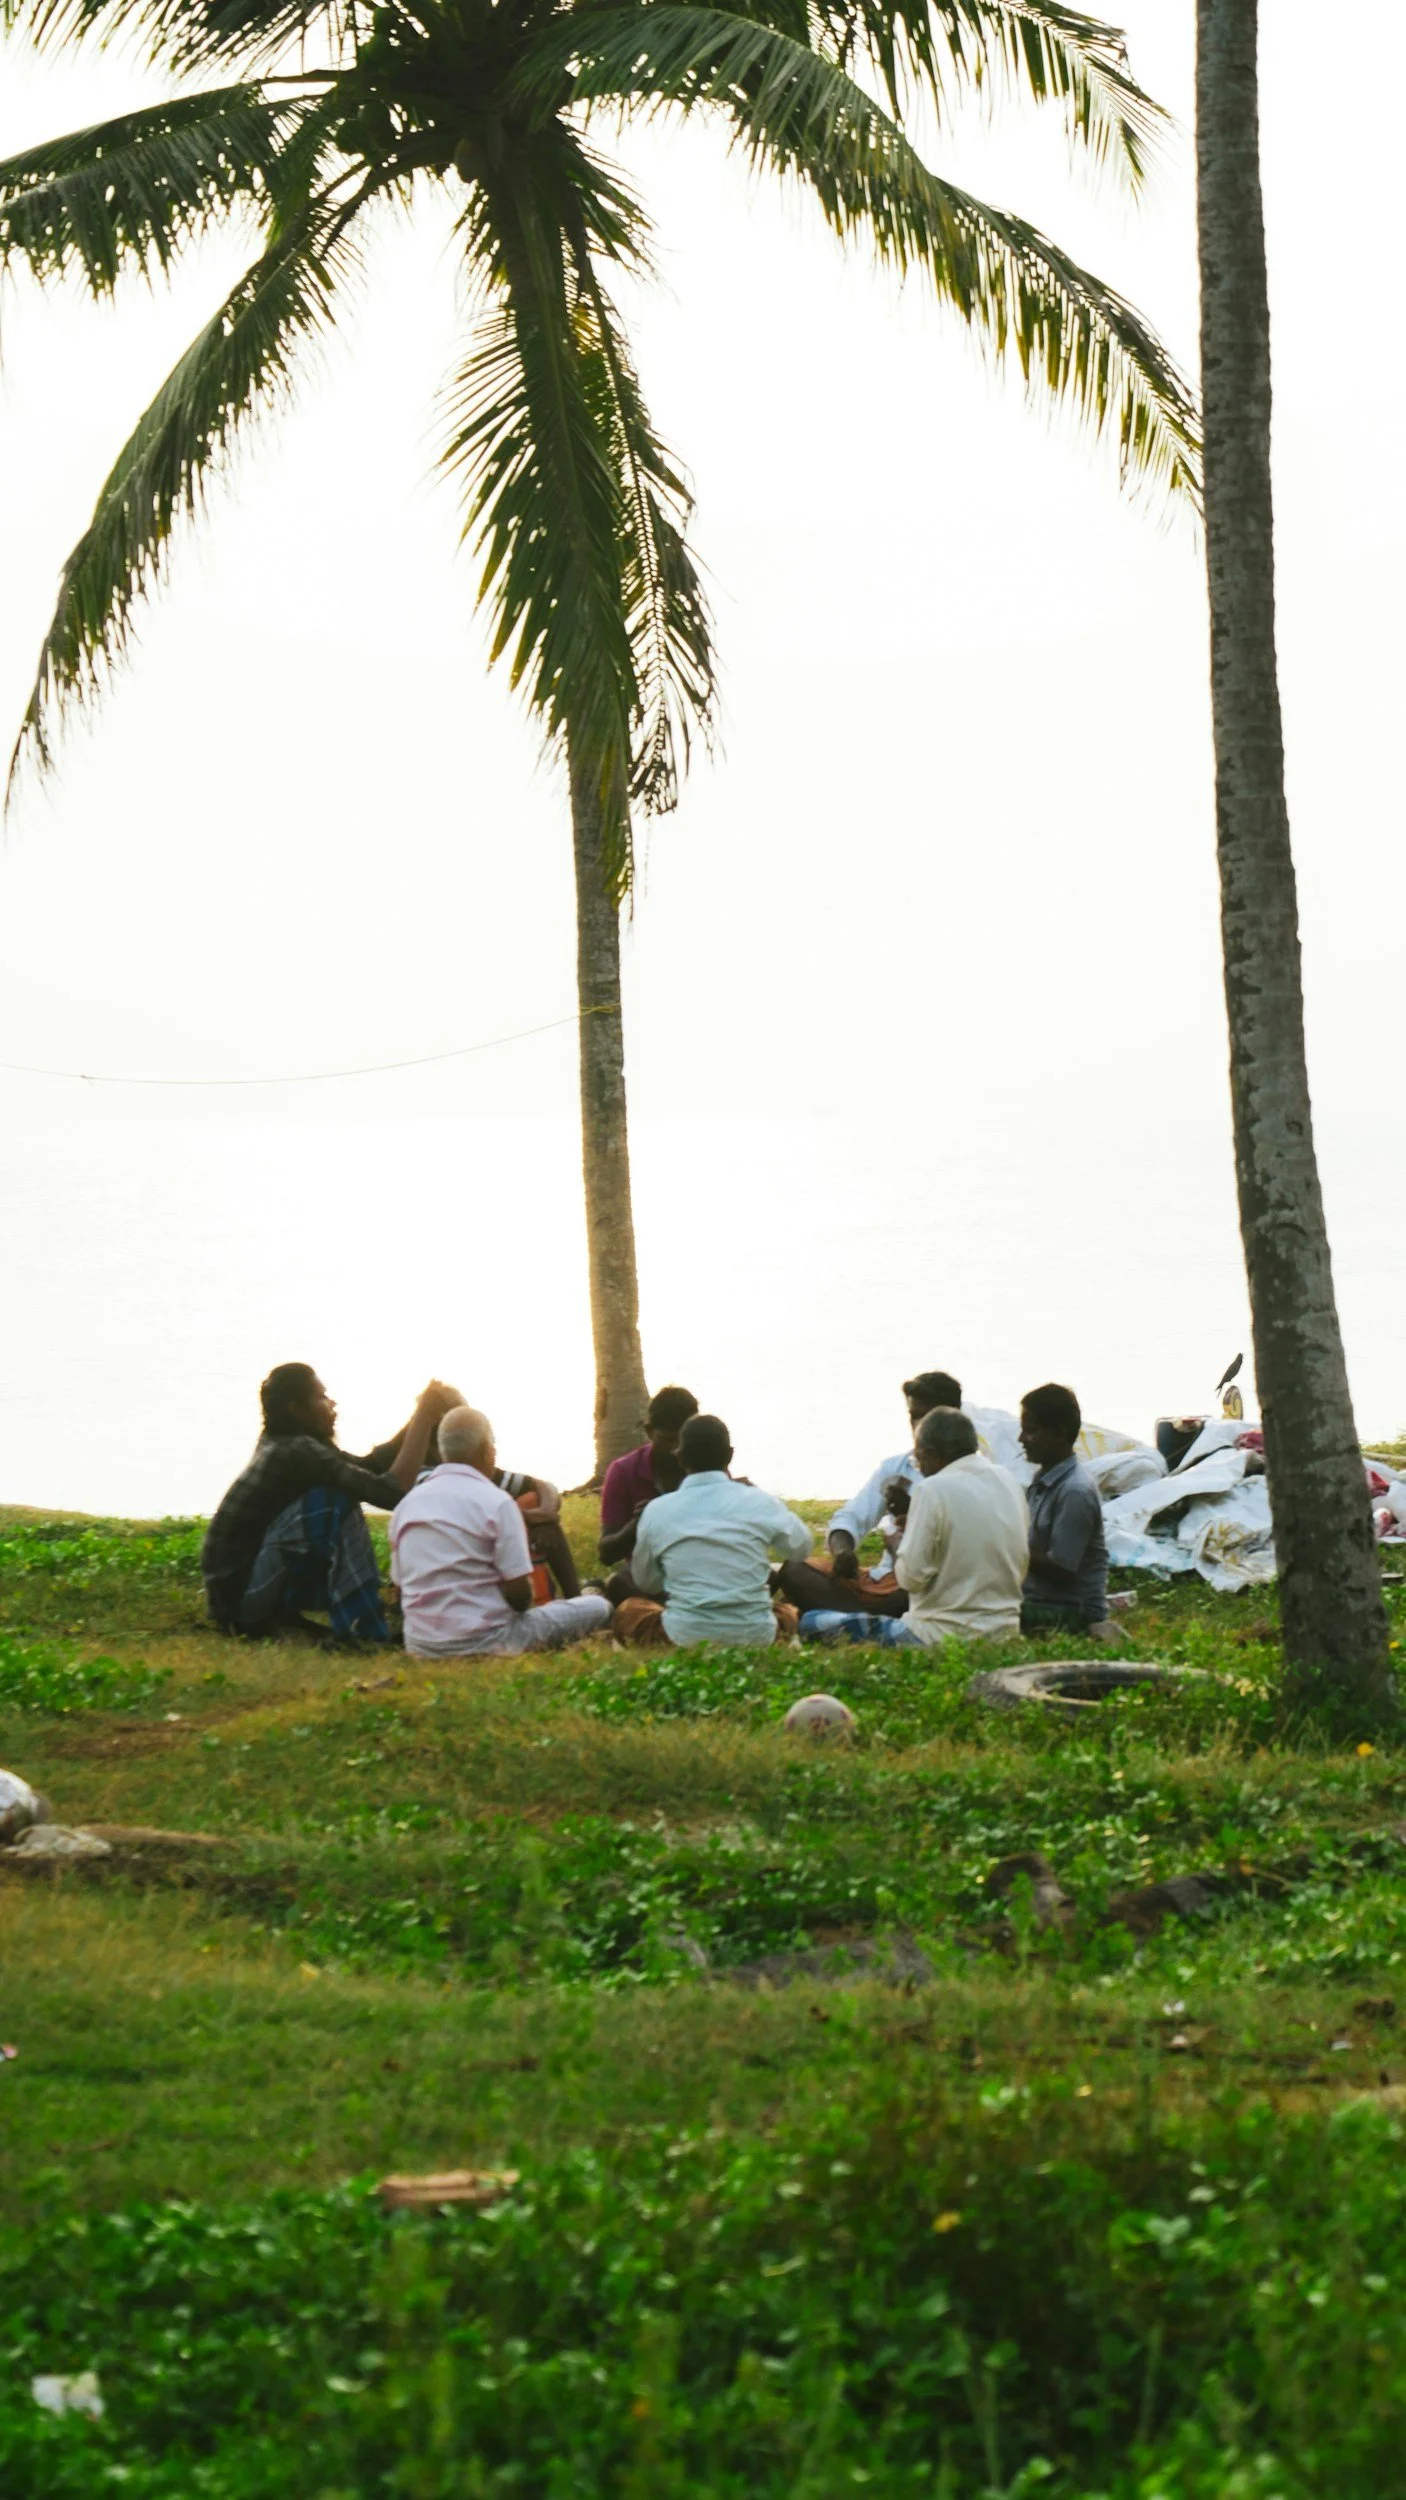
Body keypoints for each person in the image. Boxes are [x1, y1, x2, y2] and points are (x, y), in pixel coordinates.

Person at [202, 1365, 453, 1642]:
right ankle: (366, 1631)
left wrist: (416, 1419)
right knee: (334, 1502)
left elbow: (366, 1468)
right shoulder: (297, 1451)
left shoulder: (288, 1443)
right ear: (296, 1409)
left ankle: (300, 1620)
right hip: (240, 1602)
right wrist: (423, 1420)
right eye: (322, 1397)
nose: (332, 1404)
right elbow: (390, 1493)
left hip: (236, 1596)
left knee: (336, 1494)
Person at [390, 1406, 613, 1658]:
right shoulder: (497, 1502)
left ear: (444, 1453)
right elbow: (520, 1598)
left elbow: (401, 1594)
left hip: (421, 1646)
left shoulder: (406, 1507)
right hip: (492, 1640)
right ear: (488, 1452)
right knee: (599, 1606)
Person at [801, 1407, 1027, 1648]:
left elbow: (911, 1579)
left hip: (940, 1634)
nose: (918, 1466)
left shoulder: (931, 1489)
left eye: (918, 1458)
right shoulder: (1007, 1480)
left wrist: (898, 1546)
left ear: (931, 1454)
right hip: (1004, 1630)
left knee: (810, 1621)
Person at [775, 1369, 962, 1620]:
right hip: (883, 1581)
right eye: (913, 1417)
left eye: (925, 1418)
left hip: (922, 1581)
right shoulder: (898, 1467)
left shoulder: (972, 1473)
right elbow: (852, 1517)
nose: (917, 1427)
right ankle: (867, 1618)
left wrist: (914, 1513)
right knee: (795, 1570)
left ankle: (853, 1618)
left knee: (920, 1591)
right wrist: (843, 1551)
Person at [614, 1413, 812, 1647]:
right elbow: (802, 1548)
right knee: (787, 1612)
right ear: (730, 1455)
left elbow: (647, 1583)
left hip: (682, 1637)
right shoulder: (759, 1501)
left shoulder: (657, 1511)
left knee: (630, 1611)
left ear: (679, 1457)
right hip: (757, 1636)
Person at [431, 1389, 582, 1599]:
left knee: (539, 1515)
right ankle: (570, 1601)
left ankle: (573, 1597)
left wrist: (542, 1514)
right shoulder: (429, 1483)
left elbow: (542, 1486)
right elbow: (518, 1598)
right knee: (597, 1608)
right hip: (476, 1597)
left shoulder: (491, 1478)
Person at [1019, 1382, 1111, 1634]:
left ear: (1059, 1433)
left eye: (1030, 1431)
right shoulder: (1042, 1481)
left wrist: (1008, 1543)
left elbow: (1061, 1569)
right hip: (1042, 1603)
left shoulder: (1075, 1491)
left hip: (1070, 1614)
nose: (1021, 1439)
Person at [597, 1385, 700, 1570]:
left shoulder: (706, 1465)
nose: (676, 1449)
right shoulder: (623, 1471)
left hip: (701, 1566)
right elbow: (606, 1554)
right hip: (650, 1574)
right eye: (668, 1440)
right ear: (649, 1431)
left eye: (684, 1440)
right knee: (618, 1584)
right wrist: (637, 1525)